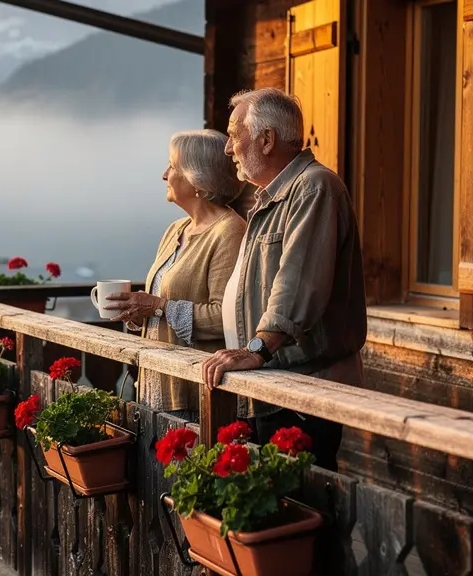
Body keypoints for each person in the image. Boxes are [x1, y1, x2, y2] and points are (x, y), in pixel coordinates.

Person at [202, 88, 367, 471]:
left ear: (267, 139)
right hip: (272, 387)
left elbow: (298, 284)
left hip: (301, 390)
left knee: (302, 510)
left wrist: (257, 349)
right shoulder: (271, 198)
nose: (228, 149)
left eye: (233, 134)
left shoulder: (314, 187)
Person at [104, 129, 245, 420]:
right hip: (154, 383)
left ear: (197, 178)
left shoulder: (229, 231)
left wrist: (157, 306)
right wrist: (136, 313)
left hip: (194, 393)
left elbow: (225, 317)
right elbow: (160, 306)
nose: (164, 175)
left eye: (172, 166)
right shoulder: (175, 230)